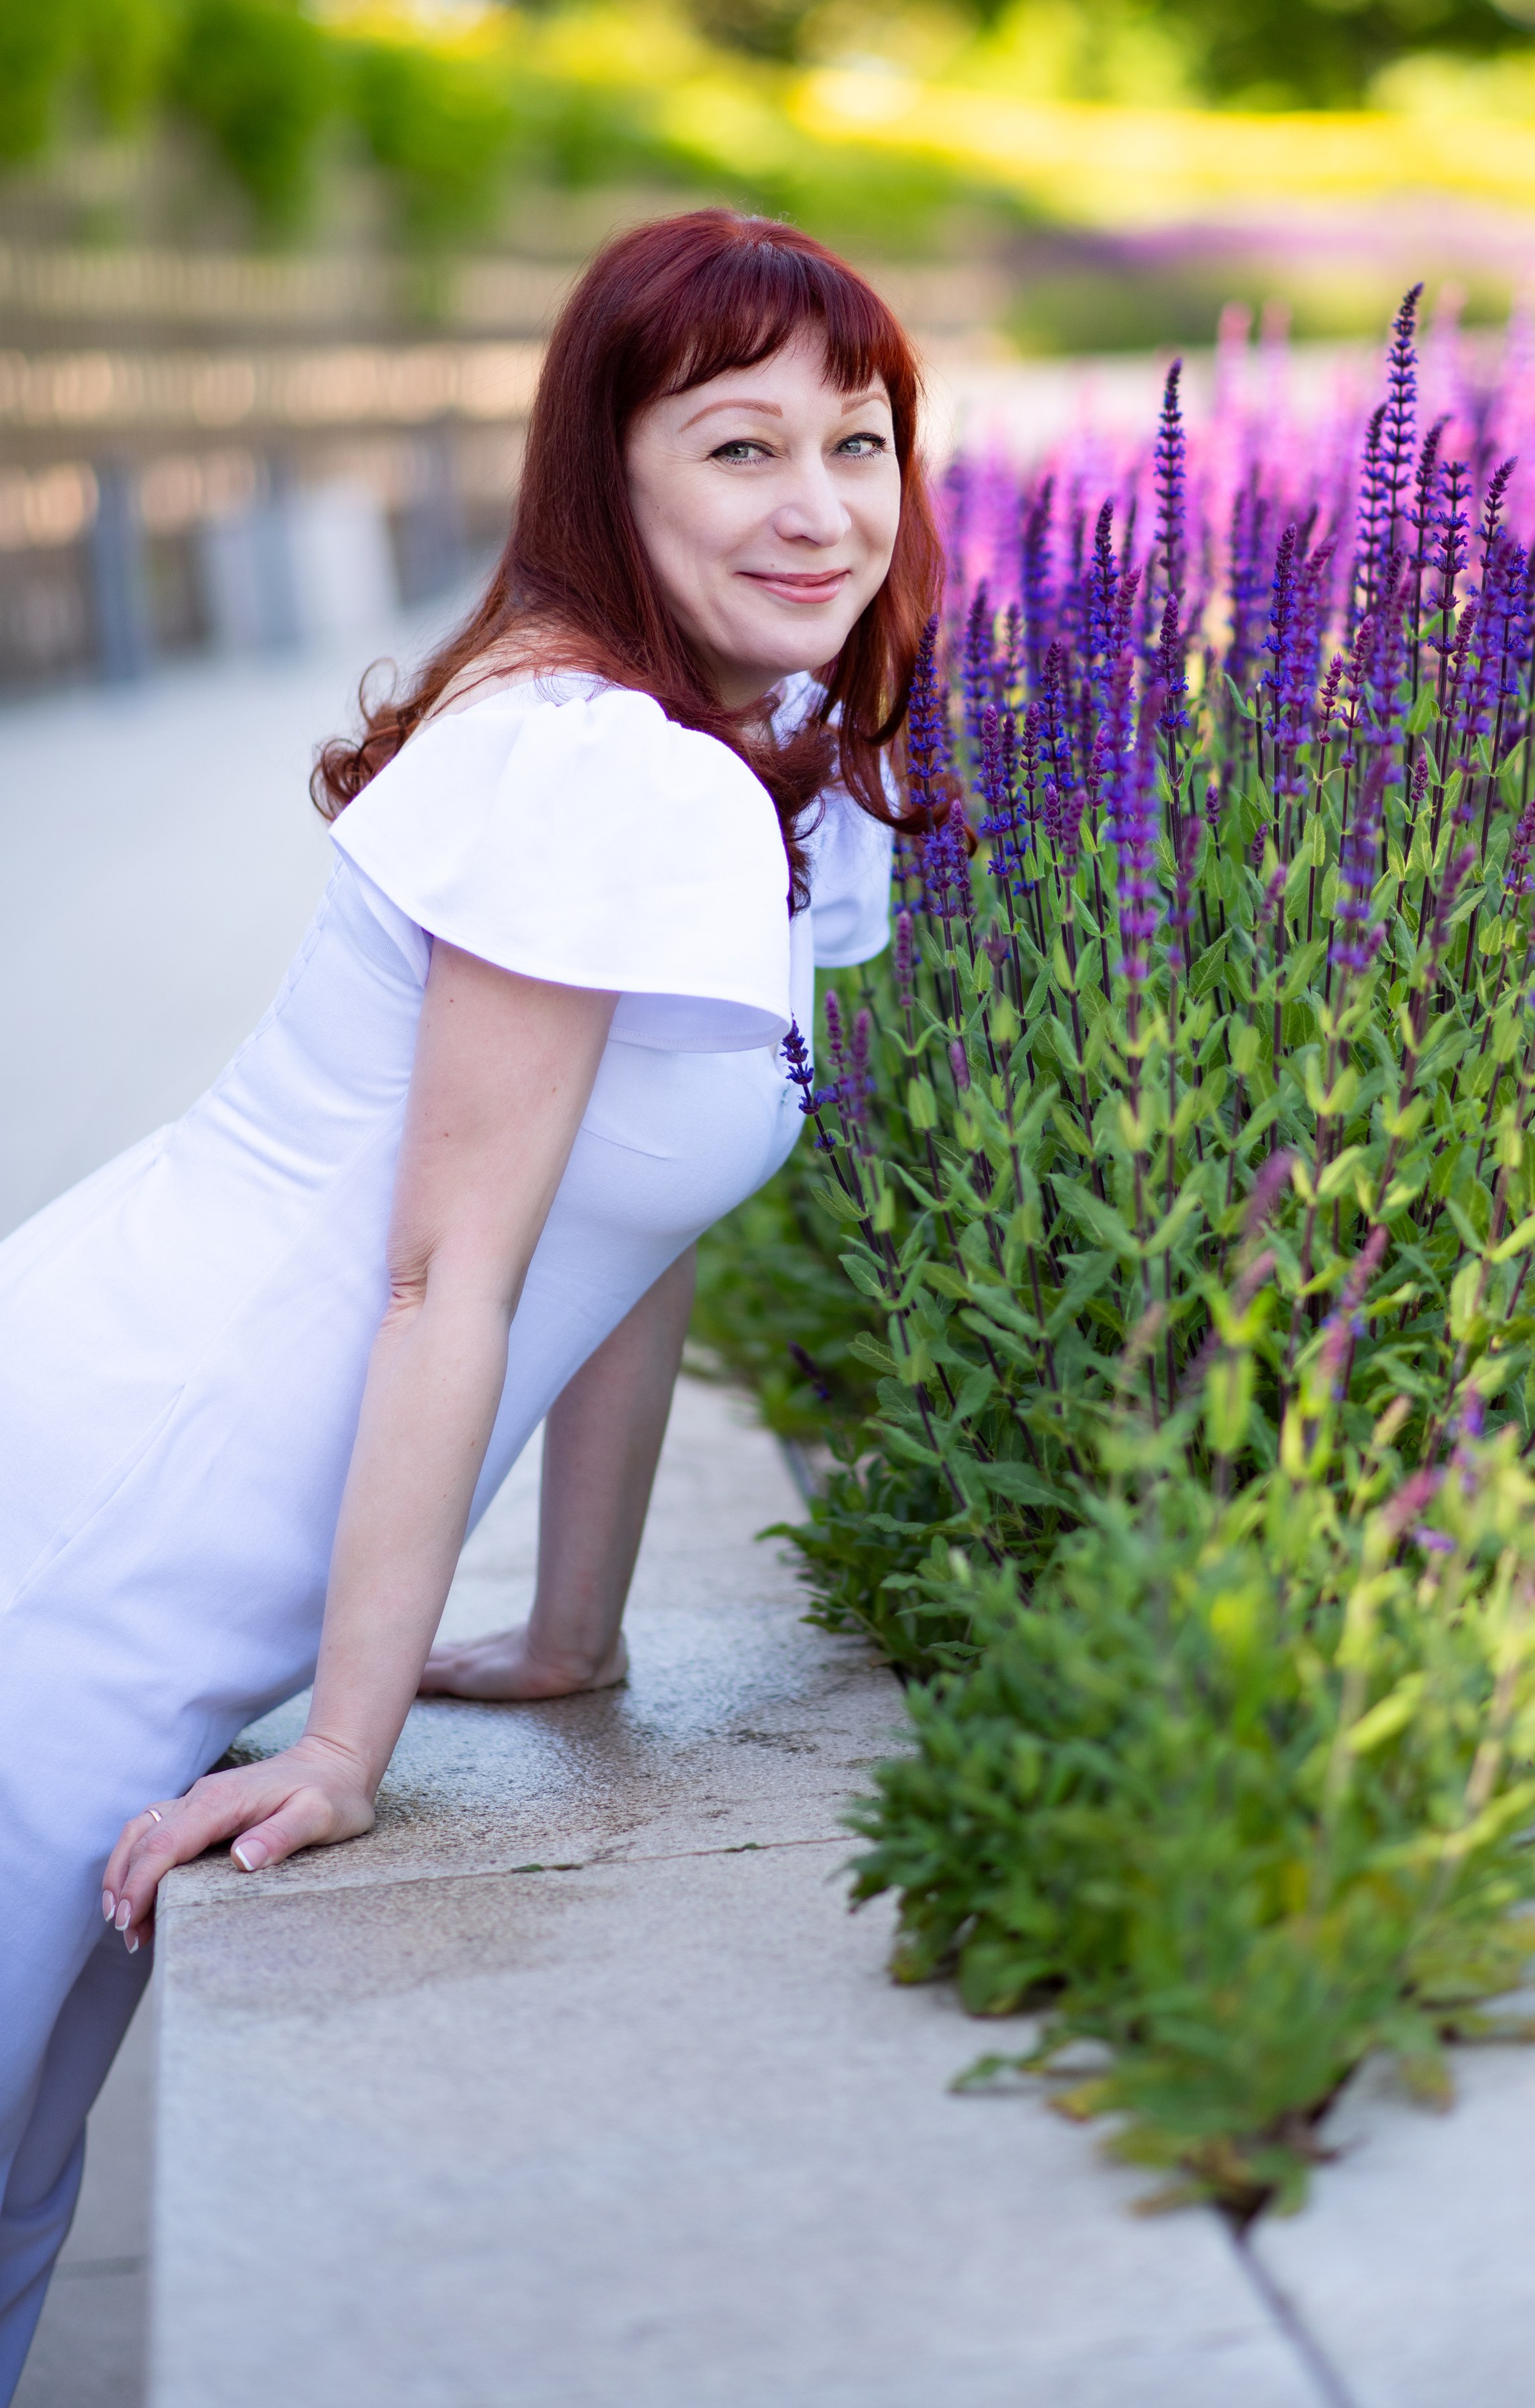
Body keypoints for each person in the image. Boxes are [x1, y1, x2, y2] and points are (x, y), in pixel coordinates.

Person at [0, 209, 937, 2399]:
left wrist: (572, 1627)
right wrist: (345, 1738)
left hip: (184, 1518)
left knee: (26, 2180)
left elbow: (644, 1212)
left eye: (860, 440)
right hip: (98, 1513)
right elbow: (451, 1263)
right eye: (737, 447)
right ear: (604, 471)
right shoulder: (601, 762)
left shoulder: (754, 737)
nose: (818, 509)